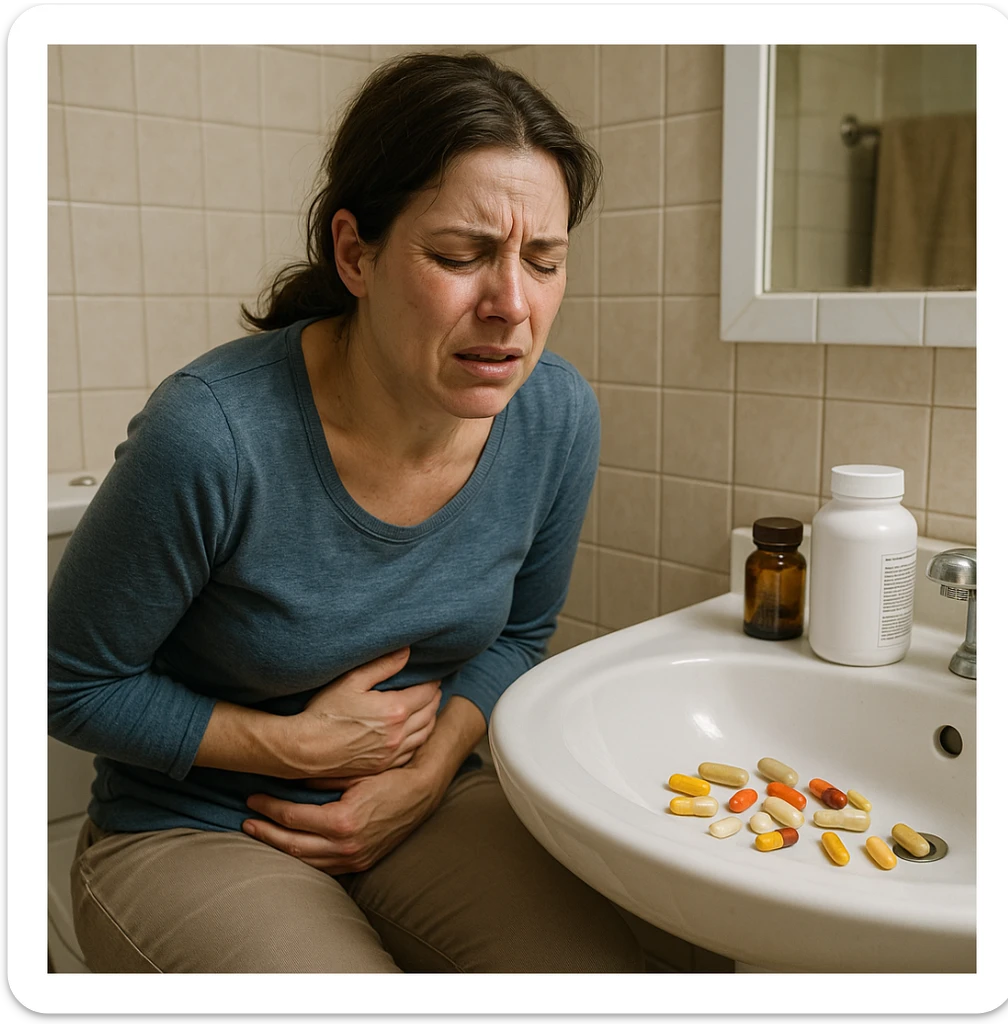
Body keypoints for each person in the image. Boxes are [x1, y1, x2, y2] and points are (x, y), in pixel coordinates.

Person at [48, 51, 646, 974]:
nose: (512, 306)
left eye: (544, 260)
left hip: (424, 798)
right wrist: (291, 747)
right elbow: (67, 683)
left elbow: (521, 633)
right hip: (198, 827)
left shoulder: (556, 414)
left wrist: (428, 771)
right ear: (355, 252)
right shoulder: (212, 433)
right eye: (461, 255)